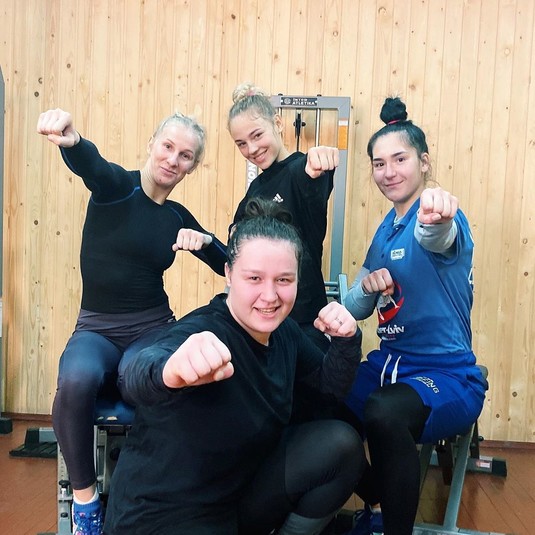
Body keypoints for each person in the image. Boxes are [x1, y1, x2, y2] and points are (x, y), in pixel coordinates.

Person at [103, 198, 366, 535]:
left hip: (235, 499)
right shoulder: (204, 330)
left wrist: (347, 341)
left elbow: (328, 390)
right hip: (161, 516)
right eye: (254, 278)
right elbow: (136, 373)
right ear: (229, 274)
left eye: (284, 280)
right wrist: (169, 371)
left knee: (341, 445)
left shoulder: (283, 333)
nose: (270, 296)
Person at [37, 108, 227, 535]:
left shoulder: (177, 217)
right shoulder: (116, 187)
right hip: (96, 328)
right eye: (168, 146)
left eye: (185, 155)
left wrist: (207, 242)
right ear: (151, 143)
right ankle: (86, 504)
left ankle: (152, 494)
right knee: (77, 379)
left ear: (193, 166)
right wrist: (72, 141)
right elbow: (92, 165)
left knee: (137, 379)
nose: (173, 159)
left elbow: (227, 263)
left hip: (152, 327)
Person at [342, 97, 488, 535]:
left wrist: (435, 217)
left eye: (400, 159)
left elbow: (437, 236)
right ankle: (377, 492)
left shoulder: (441, 216)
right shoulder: (384, 230)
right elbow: (355, 308)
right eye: (379, 163)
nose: (388, 172)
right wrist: (364, 289)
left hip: (446, 375)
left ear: (424, 163)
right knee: (317, 397)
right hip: (387, 366)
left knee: (384, 411)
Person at [227, 82, 339, 353]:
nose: (251, 149)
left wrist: (318, 162)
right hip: (262, 321)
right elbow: (237, 252)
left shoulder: (300, 170)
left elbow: (311, 179)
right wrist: (205, 244)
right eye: (241, 143)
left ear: (277, 123)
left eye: (257, 135)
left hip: (303, 320)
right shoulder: (256, 188)